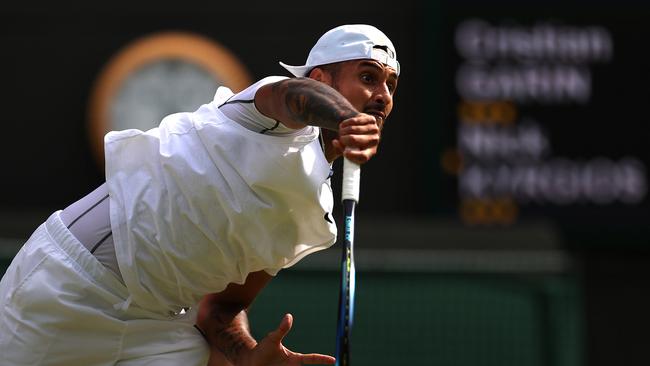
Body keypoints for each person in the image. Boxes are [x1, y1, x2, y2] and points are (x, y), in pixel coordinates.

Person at [0, 24, 399, 366]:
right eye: (367, 77)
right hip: (69, 283)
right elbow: (295, 97)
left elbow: (221, 310)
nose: (382, 94)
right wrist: (347, 117)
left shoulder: (315, 212)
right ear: (320, 79)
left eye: (390, 85)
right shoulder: (267, 114)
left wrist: (247, 353)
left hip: (159, 327)